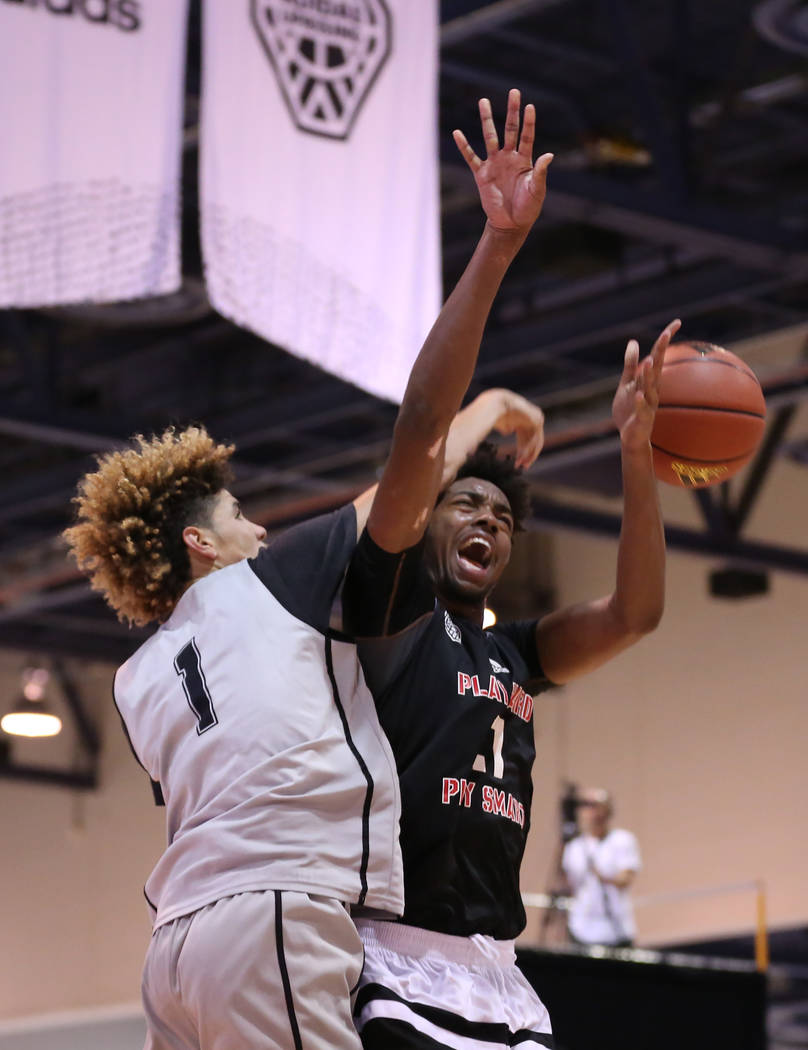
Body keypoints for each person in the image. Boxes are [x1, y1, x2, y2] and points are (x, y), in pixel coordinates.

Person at [62, 90, 550, 1050]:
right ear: (198, 544)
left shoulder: (135, 682)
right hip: (274, 909)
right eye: (235, 515)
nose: (254, 524)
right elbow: (413, 454)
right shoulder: (271, 583)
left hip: (175, 946)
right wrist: (489, 402)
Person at [342, 93, 681, 1046]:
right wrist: (496, 248)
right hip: (394, 958)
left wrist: (635, 452)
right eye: (466, 503)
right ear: (427, 515)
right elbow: (418, 434)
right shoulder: (393, 606)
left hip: (498, 974)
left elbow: (635, 615)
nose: (488, 519)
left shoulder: (513, 654)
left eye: (503, 514)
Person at [562, 788, 641, 948]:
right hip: (582, 930)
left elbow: (626, 878)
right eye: (586, 805)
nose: (592, 812)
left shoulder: (622, 840)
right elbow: (571, 885)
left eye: (596, 805)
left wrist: (603, 877)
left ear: (608, 810)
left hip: (617, 930)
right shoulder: (573, 848)